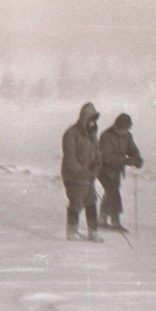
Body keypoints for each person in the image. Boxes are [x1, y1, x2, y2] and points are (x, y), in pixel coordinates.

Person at [61, 102, 104, 242]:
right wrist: (82, 172)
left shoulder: (92, 135)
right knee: (76, 202)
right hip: (73, 176)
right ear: (84, 119)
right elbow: (70, 158)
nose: (93, 123)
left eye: (94, 120)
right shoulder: (71, 134)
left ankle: (93, 232)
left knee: (91, 201)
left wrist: (96, 167)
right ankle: (72, 232)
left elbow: (97, 153)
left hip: (88, 176)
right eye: (91, 120)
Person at [98, 113, 144, 232]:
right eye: (124, 128)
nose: (126, 131)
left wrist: (137, 159)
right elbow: (106, 157)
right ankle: (115, 222)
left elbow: (132, 149)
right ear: (118, 125)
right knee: (113, 193)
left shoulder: (127, 136)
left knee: (110, 193)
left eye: (128, 128)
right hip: (103, 169)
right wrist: (127, 161)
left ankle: (102, 220)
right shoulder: (106, 135)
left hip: (116, 170)